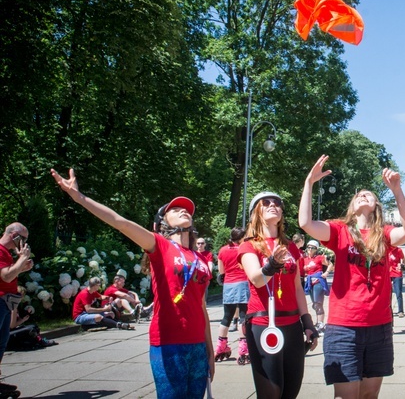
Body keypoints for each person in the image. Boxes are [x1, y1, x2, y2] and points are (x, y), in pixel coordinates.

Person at [51, 168, 214, 398]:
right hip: (169, 343)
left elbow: (201, 306)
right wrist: (79, 197)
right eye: (175, 209)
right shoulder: (160, 246)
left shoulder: (200, 259)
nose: (183, 211)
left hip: (198, 345)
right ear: (162, 222)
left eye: (187, 210)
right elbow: (121, 222)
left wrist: (209, 349)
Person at [298, 154, 405, 399]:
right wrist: (309, 182)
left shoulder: (384, 234)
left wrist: (397, 191)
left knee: (369, 395)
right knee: (346, 395)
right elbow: (305, 223)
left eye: (369, 194)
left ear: (377, 205)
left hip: (379, 326)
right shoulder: (339, 230)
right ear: (352, 205)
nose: (362, 195)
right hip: (344, 327)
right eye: (359, 194)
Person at [238, 191, 319, 398]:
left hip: (292, 325)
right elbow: (256, 279)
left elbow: (298, 288)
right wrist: (272, 264)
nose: (273, 205)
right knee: (272, 392)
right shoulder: (249, 245)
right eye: (266, 203)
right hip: (264, 324)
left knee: (291, 389)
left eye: (277, 203)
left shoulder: (291, 246)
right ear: (257, 211)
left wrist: (307, 322)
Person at [0, 223, 34, 396]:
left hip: (5, 302)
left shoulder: (6, 253)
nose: (24, 242)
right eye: (23, 238)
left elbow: (10, 275)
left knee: (1, 343)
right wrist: (21, 259)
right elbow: (6, 276)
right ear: (14, 235)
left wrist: (21, 266)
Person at [215, 227, 250, 364]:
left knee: (227, 316)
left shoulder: (223, 250)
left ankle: (220, 346)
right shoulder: (244, 249)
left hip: (229, 284)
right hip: (243, 283)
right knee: (243, 316)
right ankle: (243, 349)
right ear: (241, 238)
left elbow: (221, 271)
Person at [301, 239, 332, 332]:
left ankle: (320, 324)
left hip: (318, 282)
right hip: (309, 282)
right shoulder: (304, 259)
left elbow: (330, 264)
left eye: (313, 248)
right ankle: (319, 323)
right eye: (309, 247)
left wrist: (326, 273)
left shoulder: (319, 258)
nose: (310, 249)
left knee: (318, 303)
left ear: (316, 249)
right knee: (314, 304)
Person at [388, 244, 405, 318]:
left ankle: (400, 311)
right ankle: (389, 310)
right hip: (388, 273)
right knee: (388, 294)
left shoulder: (398, 250)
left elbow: (403, 259)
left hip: (397, 273)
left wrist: (402, 267)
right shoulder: (387, 250)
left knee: (398, 292)